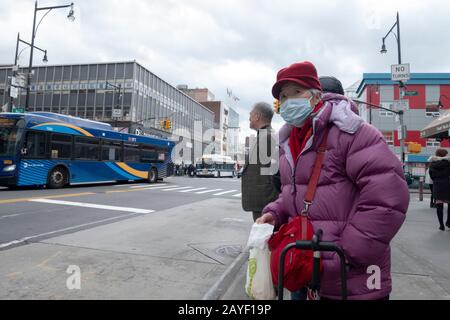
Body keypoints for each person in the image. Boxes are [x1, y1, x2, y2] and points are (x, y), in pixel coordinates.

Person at [256, 61, 409, 300]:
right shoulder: (289, 140)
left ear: (317, 96)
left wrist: (346, 254)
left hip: (352, 279)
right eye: (283, 97)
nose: (289, 102)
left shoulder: (354, 132)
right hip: (306, 269)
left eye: (297, 92)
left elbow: (388, 198)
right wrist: (274, 213)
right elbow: (294, 193)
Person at [241, 102, 280, 222]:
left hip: (265, 201)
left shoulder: (268, 137)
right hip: (262, 200)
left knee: (266, 238)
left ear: (257, 116)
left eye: (250, 114)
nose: (249, 118)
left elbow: (276, 171)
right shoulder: (263, 136)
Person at [428, 149, 450, 231]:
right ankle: (448, 222)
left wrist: (436, 180)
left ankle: (441, 225)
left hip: (437, 184)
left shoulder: (432, 164)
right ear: (444, 155)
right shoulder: (448, 163)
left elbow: (431, 175)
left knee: (439, 206)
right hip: (447, 184)